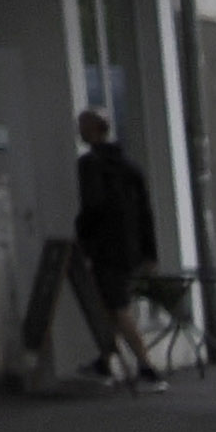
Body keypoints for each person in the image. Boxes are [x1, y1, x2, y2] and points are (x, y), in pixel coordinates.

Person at [69, 111, 163, 388]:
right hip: (130, 248)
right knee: (111, 306)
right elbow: (146, 213)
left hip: (105, 248)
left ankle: (147, 367)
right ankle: (105, 360)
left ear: (95, 130)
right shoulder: (130, 167)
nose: (80, 132)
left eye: (83, 127)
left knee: (118, 307)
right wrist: (149, 252)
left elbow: (92, 206)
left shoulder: (90, 165)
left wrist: (83, 238)